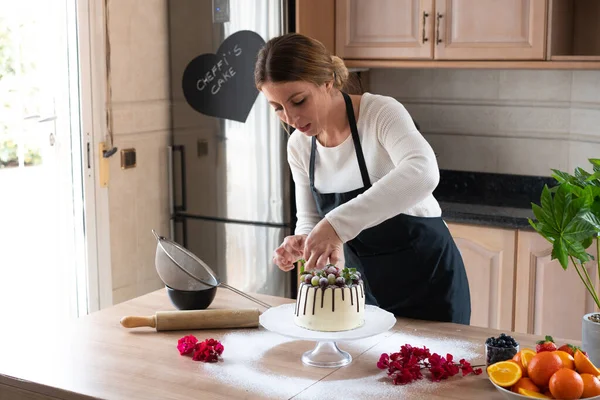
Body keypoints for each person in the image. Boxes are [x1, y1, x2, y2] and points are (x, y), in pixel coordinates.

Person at [254, 33, 471, 325]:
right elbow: (308, 217)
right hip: (363, 293)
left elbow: (423, 171)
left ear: (327, 83)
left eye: (299, 101)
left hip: (429, 283)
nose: (291, 118)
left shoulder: (380, 113)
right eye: (278, 108)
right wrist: (304, 241)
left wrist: (335, 225)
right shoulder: (299, 146)